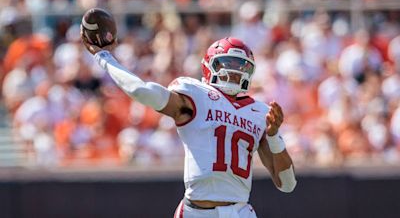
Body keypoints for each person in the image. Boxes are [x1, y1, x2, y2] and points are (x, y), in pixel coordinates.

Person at [81, 31, 297, 217]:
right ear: (208, 66)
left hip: (239, 211)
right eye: (228, 64)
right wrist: (104, 57)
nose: (234, 72)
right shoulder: (196, 94)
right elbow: (142, 91)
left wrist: (274, 136)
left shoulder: (259, 112)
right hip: (197, 212)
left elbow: (288, 184)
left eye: (242, 66)